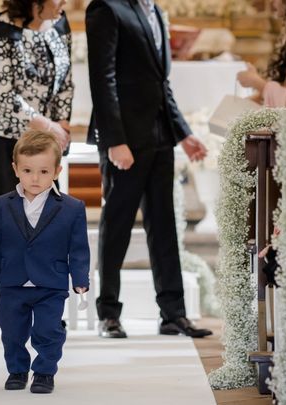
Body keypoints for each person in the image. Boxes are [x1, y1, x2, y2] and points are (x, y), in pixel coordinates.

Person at [86, 0, 212, 339]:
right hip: (124, 140)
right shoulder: (106, 8)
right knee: (117, 227)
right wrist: (114, 140)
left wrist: (183, 133)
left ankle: (173, 314)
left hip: (160, 138)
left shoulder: (154, 11)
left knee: (164, 226)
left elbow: (161, 83)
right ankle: (108, 313)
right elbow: (102, 77)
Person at [0, 130, 90, 394]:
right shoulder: (2, 204)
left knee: (48, 330)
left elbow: (78, 249)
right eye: (28, 170)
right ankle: (17, 370)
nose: (35, 178)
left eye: (43, 171)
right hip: (12, 282)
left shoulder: (72, 208)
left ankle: (44, 373)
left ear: (57, 170)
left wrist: (80, 279)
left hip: (50, 282)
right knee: (12, 332)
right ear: (15, 168)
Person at [0, 0, 73, 236]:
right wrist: (48, 125)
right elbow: (2, 94)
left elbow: (66, 81)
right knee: (7, 219)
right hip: (2, 135)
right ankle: (6, 273)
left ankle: (41, 272)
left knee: (47, 216)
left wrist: (61, 124)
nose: (65, 1)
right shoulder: (1, 29)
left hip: (41, 139)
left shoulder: (58, 23)